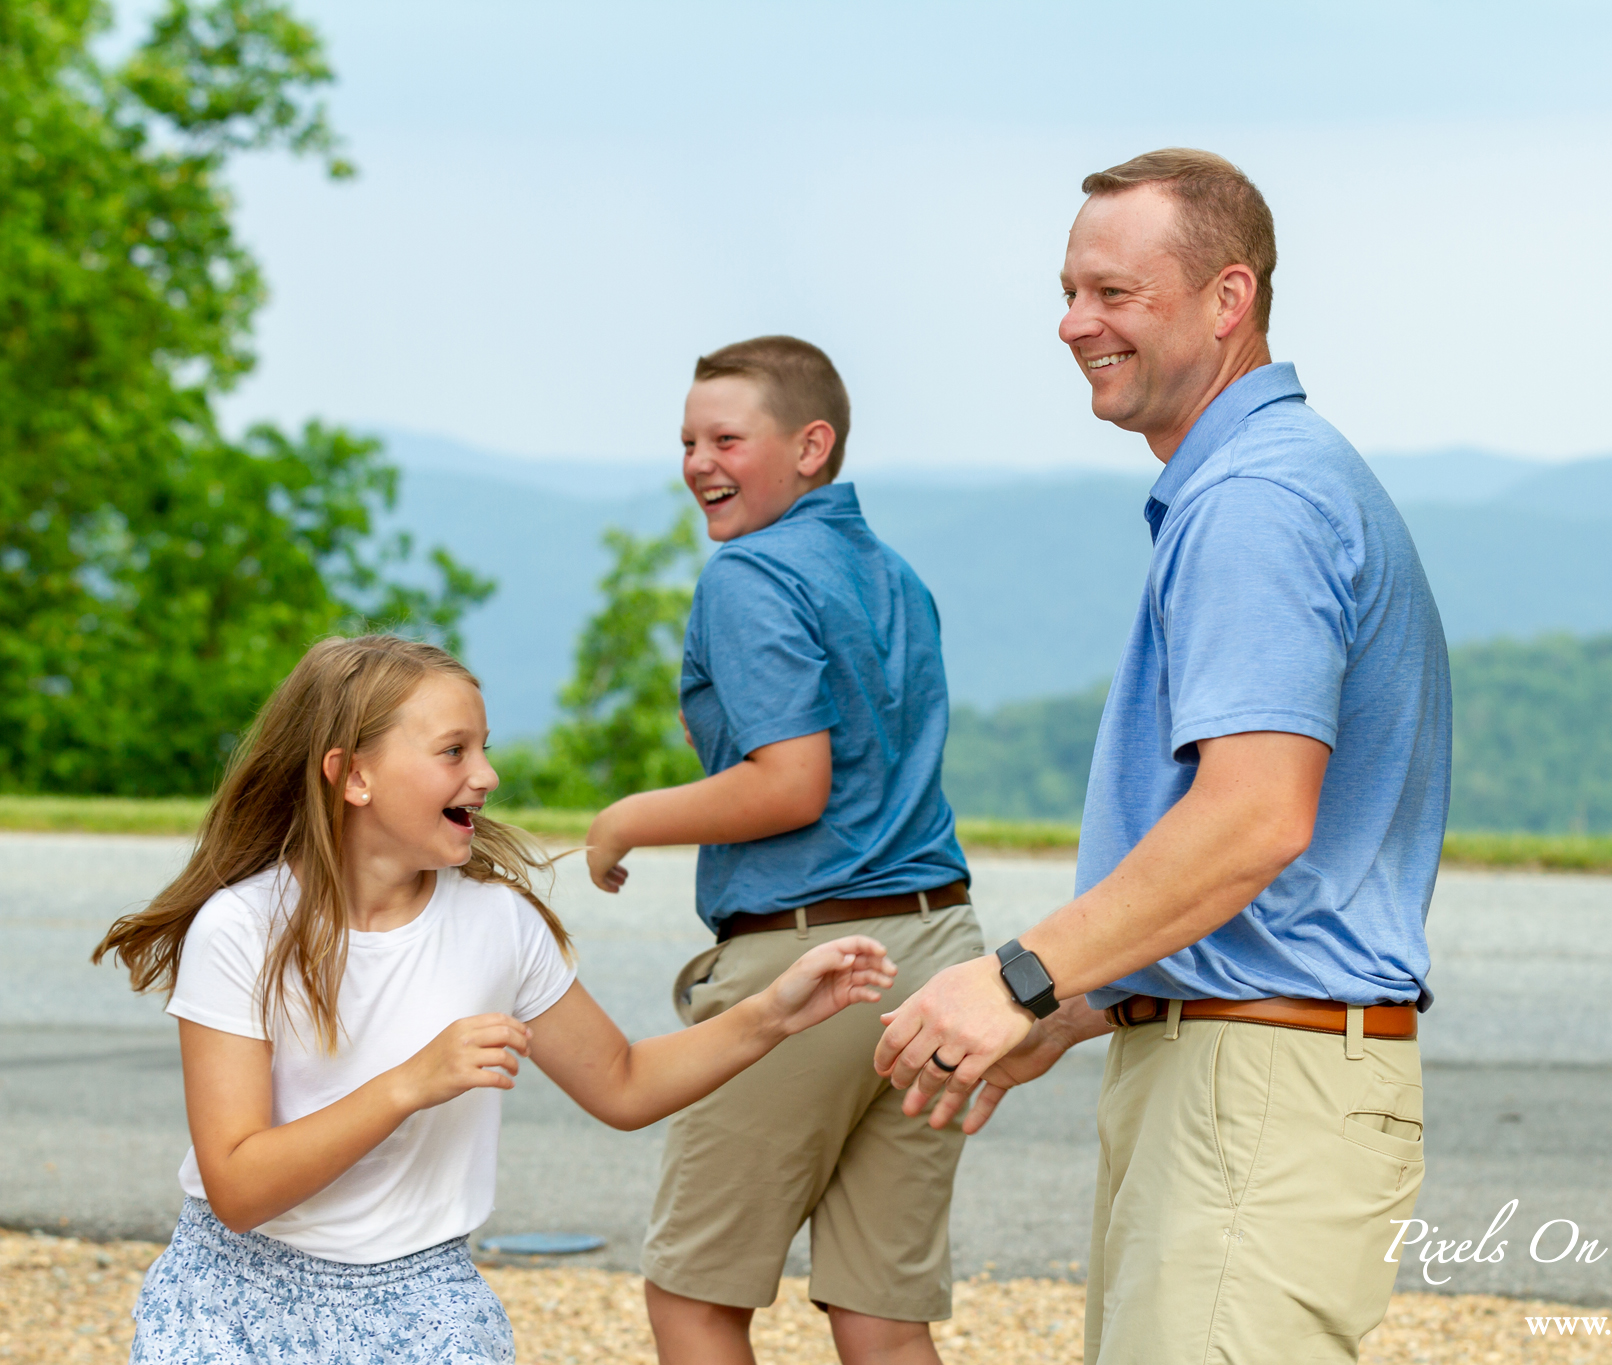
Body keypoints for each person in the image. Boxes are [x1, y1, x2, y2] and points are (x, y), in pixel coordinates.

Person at [873, 149, 1453, 1365]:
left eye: (1114, 294)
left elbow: (1255, 820)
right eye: (1070, 290)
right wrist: (1086, 1004)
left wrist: (1016, 978)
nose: (1073, 323)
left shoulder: (1255, 502)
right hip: (1248, 1075)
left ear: (1226, 300)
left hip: (1256, 1095)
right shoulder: (1261, 483)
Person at [92, 634, 894, 1365]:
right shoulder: (241, 928)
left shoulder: (496, 921)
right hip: (233, 1298)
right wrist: (411, 1082)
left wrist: (771, 1014)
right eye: (453, 750)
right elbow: (236, 1187)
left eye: (483, 748)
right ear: (353, 775)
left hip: (424, 1305)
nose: (486, 774)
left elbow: (621, 1082)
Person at [582, 335, 981, 1365]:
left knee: (694, 1296)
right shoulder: (893, 575)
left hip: (811, 966)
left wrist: (625, 817)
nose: (698, 463)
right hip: (939, 953)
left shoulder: (746, 574)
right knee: (882, 1317)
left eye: (725, 438)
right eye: (686, 440)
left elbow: (789, 785)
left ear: (812, 445)